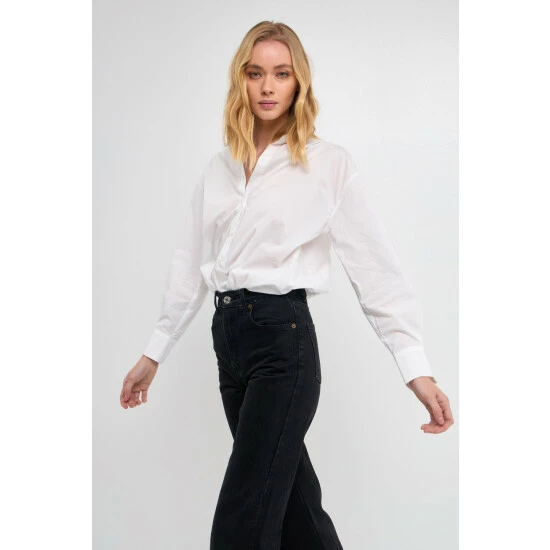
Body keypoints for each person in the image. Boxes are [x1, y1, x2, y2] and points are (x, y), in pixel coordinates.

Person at [119, 20, 454, 549]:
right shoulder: (219, 168)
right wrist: (153, 353)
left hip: (283, 344)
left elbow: (375, 269)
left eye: (281, 74)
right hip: (229, 344)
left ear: (300, 83)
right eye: (255, 74)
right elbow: (190, 264)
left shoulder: (327, 164)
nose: (268, 87)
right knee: (298, 512)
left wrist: (416, 369)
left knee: (243, 520)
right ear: (241, 80)